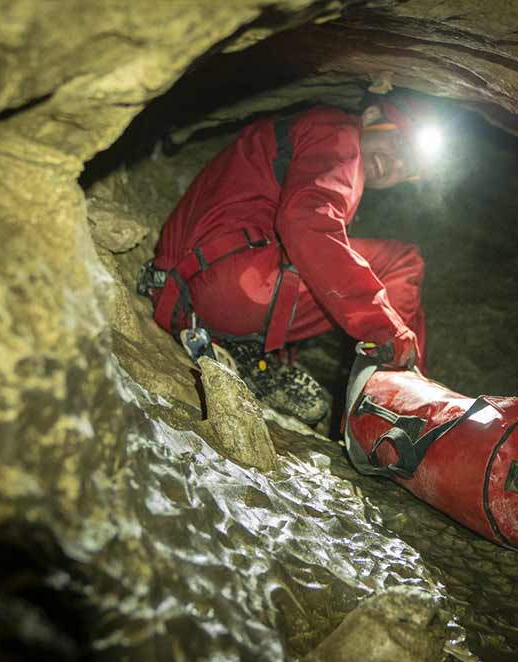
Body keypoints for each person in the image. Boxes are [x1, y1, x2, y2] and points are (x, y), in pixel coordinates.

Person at [139, 92, 439, 424]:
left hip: (179, 289)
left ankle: (244, 351)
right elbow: (305, 223)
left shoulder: (305, 135)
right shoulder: (340, 134)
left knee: (333, 266)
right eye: (399, 143)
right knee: (401, 262)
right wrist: (386, 329)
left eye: (408, 167)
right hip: (234, 284)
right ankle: (399, 410)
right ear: (370, 116)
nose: (396, 164)